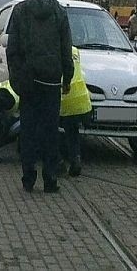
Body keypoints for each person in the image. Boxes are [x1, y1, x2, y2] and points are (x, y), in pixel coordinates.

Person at [6, 0, 74, 193]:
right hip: (52, 81)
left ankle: (28, 178)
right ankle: (50, 179)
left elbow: (12, 49)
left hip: (28, 79)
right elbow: (66, 48)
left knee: (28, 130)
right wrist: (67, 77)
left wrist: (16, 77)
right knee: (50, 131)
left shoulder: (20, 11)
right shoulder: (59, 12)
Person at [59, 46, 92, 177]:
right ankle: (75, 159)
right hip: (82, 98)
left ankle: (58, 162)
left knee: (50, 130)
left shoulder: (56, 49)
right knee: (73, 132)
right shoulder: (75, 50)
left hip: (64, 96)